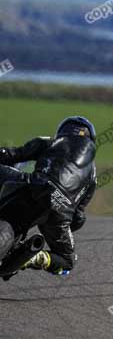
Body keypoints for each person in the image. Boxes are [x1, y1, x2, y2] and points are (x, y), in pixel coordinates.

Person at [0, 116, 97, 276]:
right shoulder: (93, 176)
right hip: (61, 213)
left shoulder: (49, 142)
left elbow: (12, 154)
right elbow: (79, 217)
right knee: (68, 261)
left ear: (62, 131)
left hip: (34, 185)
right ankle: (36, 257)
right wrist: (61, 225)